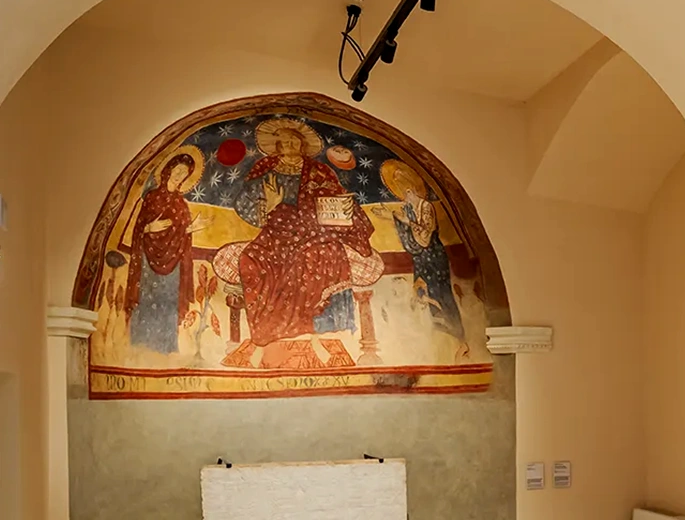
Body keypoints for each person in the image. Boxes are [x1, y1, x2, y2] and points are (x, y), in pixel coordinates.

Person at [229, 118, 378, 369]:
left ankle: (307, 331)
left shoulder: (319, 171)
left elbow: (337, 201)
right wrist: (270, 206)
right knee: (250, 259)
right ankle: (265, 334)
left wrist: (342, 209)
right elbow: (244, 202)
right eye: (284, 141)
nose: (289, 144)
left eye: (294, 140)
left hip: (312, 232)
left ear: (302, 144)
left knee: (312, 258)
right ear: (277, 145)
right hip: (276, 231)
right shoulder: (265, 169)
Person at [122, 151, 208, 355]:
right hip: (148, 257)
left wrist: (192, 228)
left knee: (168, 301)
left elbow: (181, 233)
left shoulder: (181, 204)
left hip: (173, 263)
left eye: (184, 174)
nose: (179, 176)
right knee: (147, 299)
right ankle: (139, 344)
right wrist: (148, 228)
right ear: (168, 170)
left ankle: (166, 347)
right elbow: (137, 228)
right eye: (178, 170)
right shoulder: (151, 197)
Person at [382, 159, 466, 355]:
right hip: (420, 259)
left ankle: (459, 339)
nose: (403, 195)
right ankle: (437, 338)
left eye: (404, 191)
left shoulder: (426, 206)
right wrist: (394, 218)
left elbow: (426, 236)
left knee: (440, 295)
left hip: (433, 258)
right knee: (421, 295)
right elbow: (409, 238)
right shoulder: (408, 209)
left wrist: (405, 220)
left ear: (411, 188)